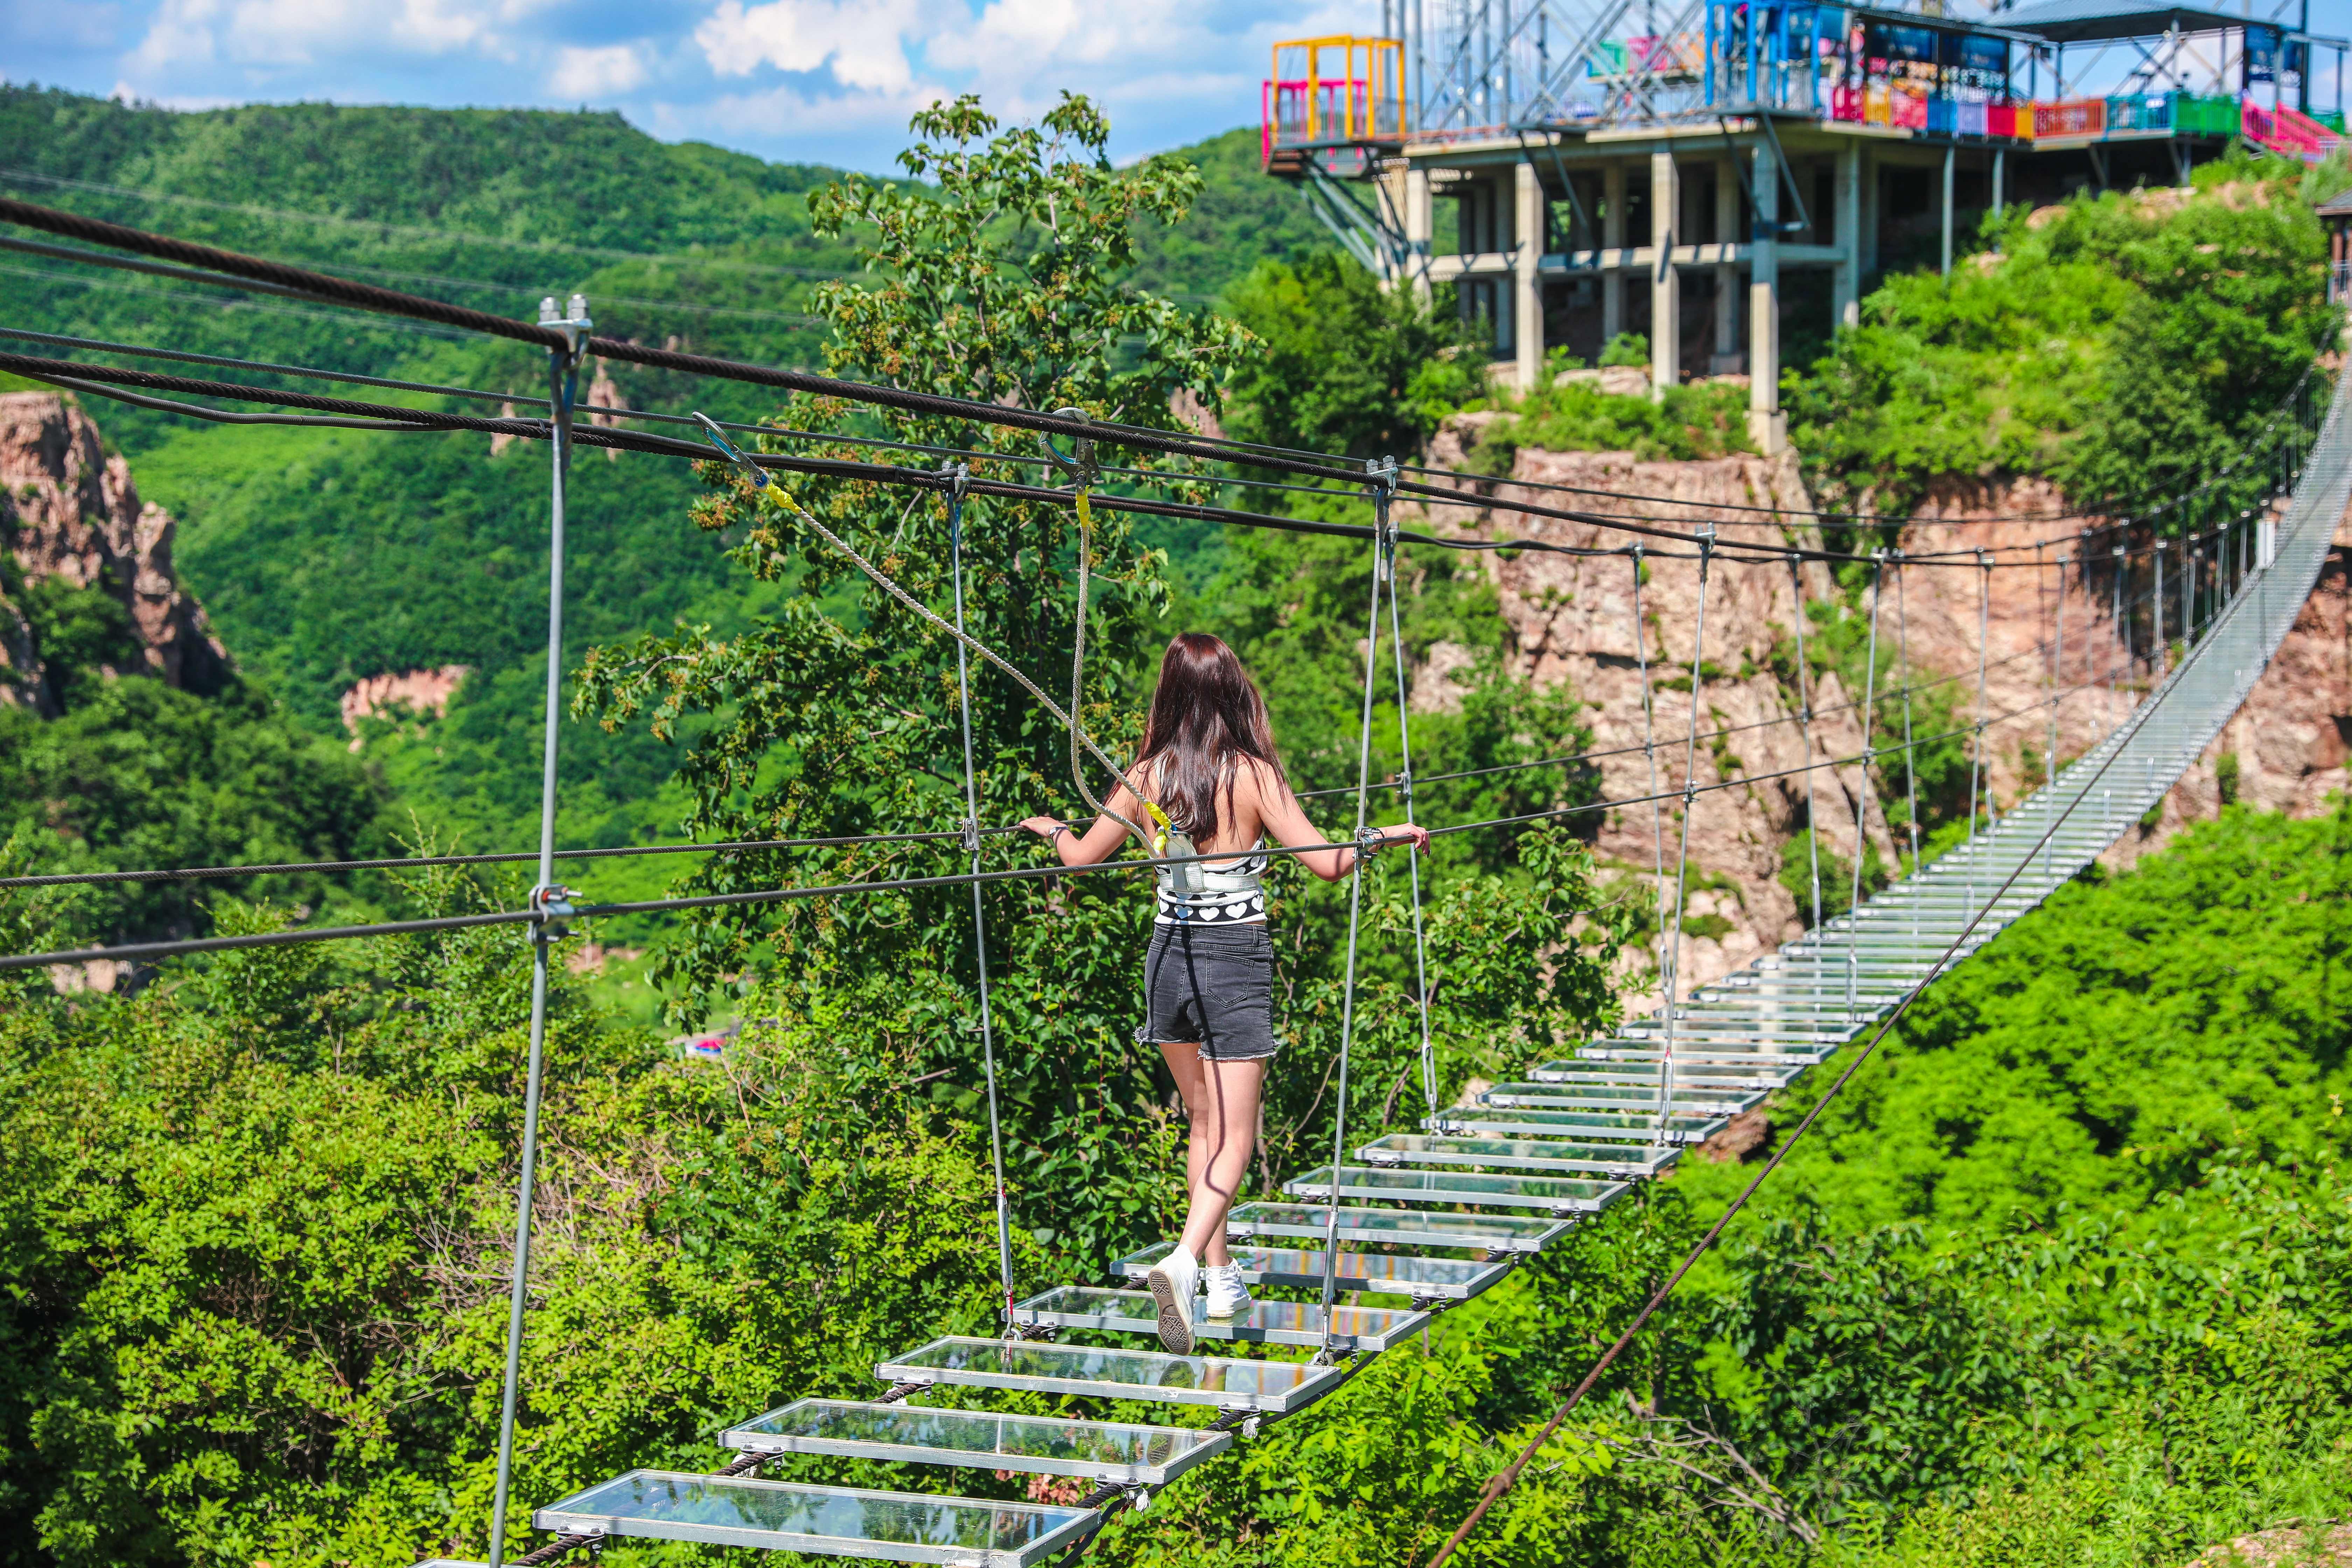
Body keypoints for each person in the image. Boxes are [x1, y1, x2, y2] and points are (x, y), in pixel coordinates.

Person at [1020, 632, 1428, 1355]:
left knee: (1203, 1124)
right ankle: (1182, 1263)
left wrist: (1052, 827)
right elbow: (1328, 864)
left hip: (1167, 960)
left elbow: (1081, 857)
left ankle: (1218, 1275)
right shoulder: (1252, 774)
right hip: (1232, 957)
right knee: (1237, 1134)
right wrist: (1385, 836)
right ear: (1232, 690)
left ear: (1170, 693)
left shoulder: (1145, 772)